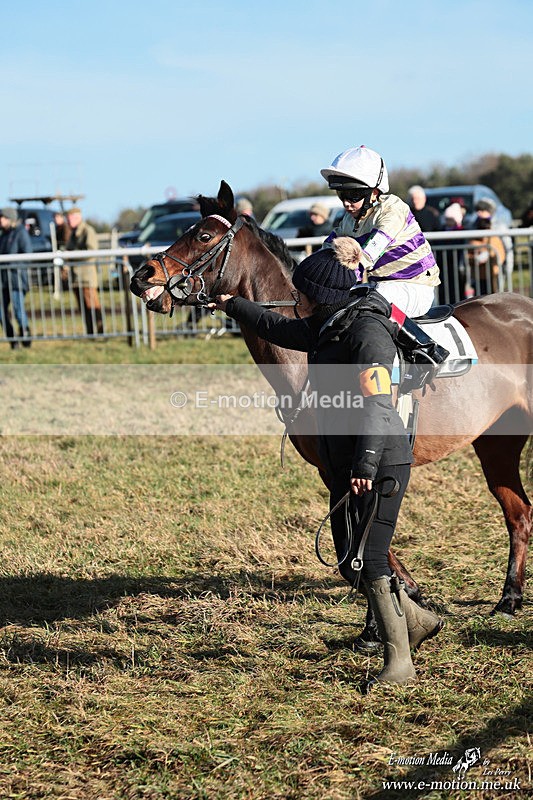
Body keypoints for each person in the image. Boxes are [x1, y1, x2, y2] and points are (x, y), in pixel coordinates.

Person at [210, 241, 443, 690]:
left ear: (321, 295)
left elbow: (378, 407)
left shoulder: (368, 335)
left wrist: (365, 465)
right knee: (348, 561)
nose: (296, 298)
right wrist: (232, 304)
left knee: (371, 559)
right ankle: (417, 620)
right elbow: (278, 328)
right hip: (344, 462)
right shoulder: (328, 324)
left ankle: (400, 664)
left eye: (302, 292)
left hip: (378, 462)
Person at [319, 145, 440, 318]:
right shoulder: (349, 219)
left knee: (362, 308)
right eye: (341, 194)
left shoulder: (393, 210)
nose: (346, 203)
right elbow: (327, 248)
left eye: (353, 195)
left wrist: (339, 279)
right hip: (381, 286)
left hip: (416, 287)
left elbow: (370, 253)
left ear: (374, 193)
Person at [65, 207, 104, 335]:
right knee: (83, 307)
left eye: (69, 219)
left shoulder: (88, 231)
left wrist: (72, 255)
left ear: (77, 217)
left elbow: (91, 251)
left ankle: (100, 331)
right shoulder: (73, 233)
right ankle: (90, 332)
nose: (68, 221)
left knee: (92, 305)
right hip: (76, 276)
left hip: (87, 276)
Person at [0, 207, 32, 349]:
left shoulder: (20, 233)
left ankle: (25, 336)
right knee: (1, 311)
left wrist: (9, 264)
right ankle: (12, 339)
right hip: (3, 280)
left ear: (10, 218)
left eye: (3, 217)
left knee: (18, 309)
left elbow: (27, 255)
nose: (1, 220)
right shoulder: (3, 235)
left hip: (16, 279)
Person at [466, 198, 506, 295]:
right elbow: (468, 251)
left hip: (494, 272)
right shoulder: (472, 227)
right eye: (478, 210)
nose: (479, 213)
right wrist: (476, 257)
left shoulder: (498, 227)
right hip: (478, 275)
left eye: (482, 210)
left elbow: (503, 250)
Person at [433, 203, 467, 304]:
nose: (448, 221)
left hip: (456, 266)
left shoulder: (461, 231)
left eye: (451, 219)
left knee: (457, 291)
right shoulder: (440, 231)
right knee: (444, 291)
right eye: (447, 219)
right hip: (443, 266)